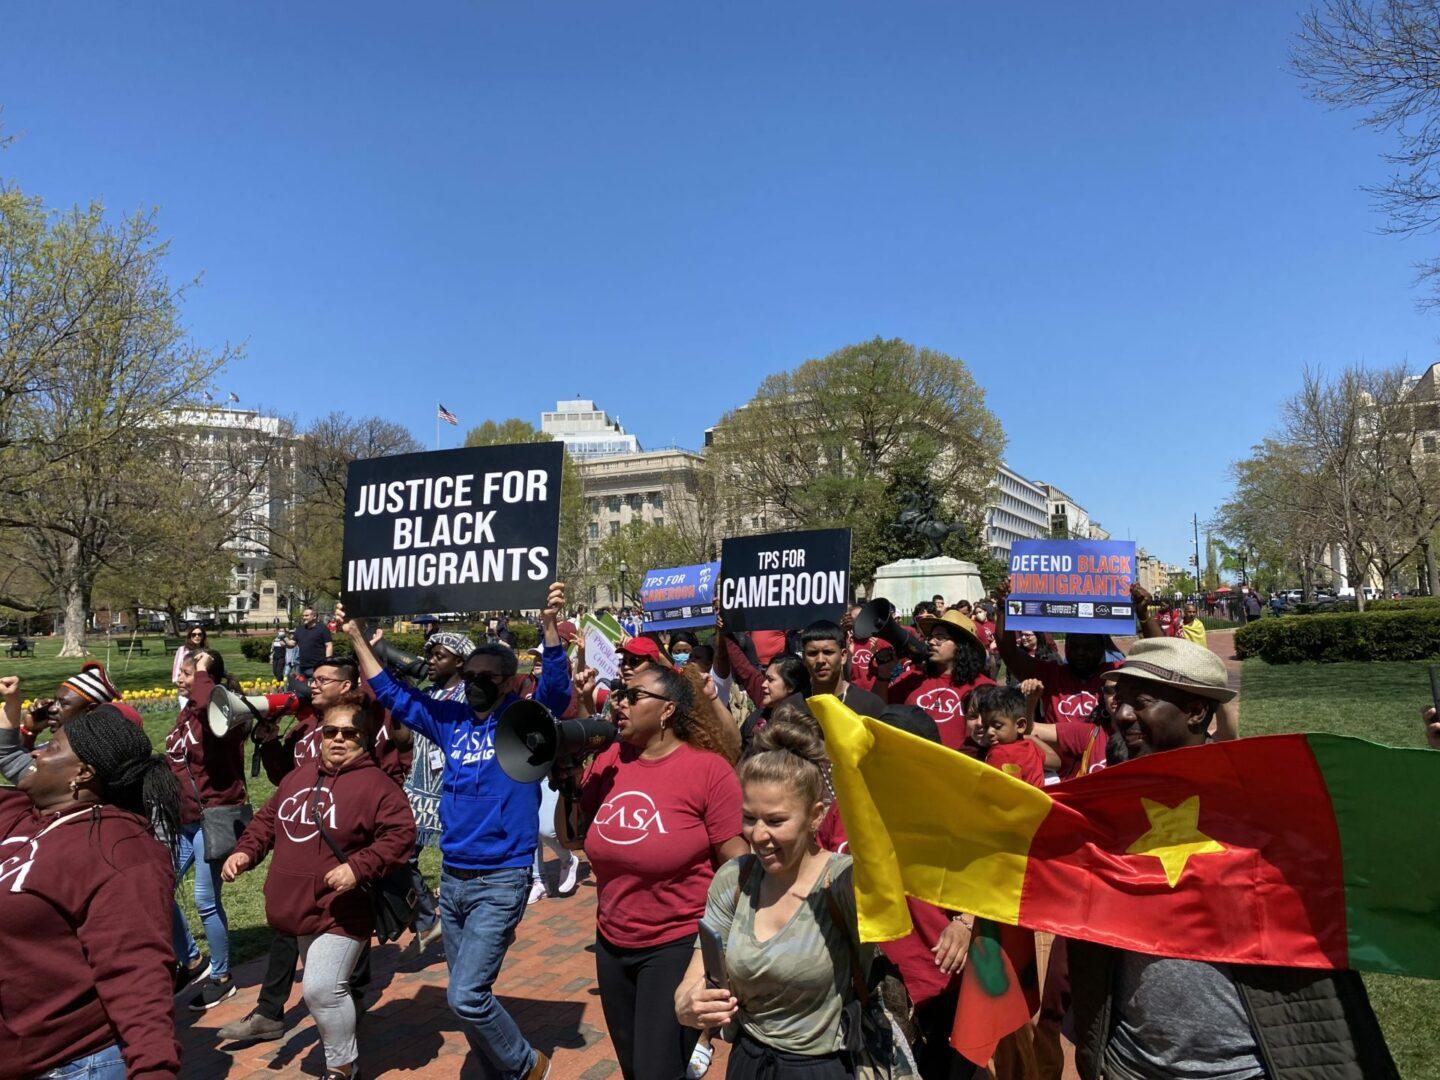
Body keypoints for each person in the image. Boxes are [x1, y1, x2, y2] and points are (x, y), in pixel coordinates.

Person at [1068, 638, 1398, 1078]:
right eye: (1119, 701)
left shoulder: (1265, 801)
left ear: (1195, 712)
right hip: (1132, 1064)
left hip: (1247, 1067)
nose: (1123, 714)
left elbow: (1391, 855)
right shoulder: (1107, 805)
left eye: (1141, 702)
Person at [342, 583, 572, 1080]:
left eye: (486, 677)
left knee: (466, 996)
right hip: (454, 879)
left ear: (508, 682)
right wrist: (357, 638)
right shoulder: (450, 720)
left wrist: (549, 626)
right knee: (466, 995)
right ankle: (497, 1069)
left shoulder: (523, 720)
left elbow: (556, 692)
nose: (474, 683)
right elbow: (395, 695)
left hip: (501, 878)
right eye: (469, 676)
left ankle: (528, 1066)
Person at [566, 663, 746, 1080]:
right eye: (619, 694)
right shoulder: (612, 759)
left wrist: (725, 949)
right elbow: (573, 837)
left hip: (677, 945)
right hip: (612, 943)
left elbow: (738, 866)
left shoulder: (708, 771)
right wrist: (567, 779)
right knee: (634, 1067)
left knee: (657, 1070)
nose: (621, 703)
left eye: (634, 696)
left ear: (667, 710)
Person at [223, 701, 415, 1080]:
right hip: (298, 907)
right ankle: (341, 1047)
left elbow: (401, 834)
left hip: (343, 910)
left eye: (349, 733)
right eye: (330, 732)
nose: (338, 739)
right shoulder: (299, 777)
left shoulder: (378, 785)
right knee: (324, 991)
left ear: (364, 739)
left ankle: (342, 1066)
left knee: (322, 990)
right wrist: (245, 852)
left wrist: (358, 867)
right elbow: (267, 821)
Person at [0, 706, 184, 1079]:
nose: (36, 754)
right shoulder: (23, 816)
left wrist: (154, 1068)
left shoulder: (121, 851)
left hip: (75, 1064)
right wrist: (24, 731)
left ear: (83, 773)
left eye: (51, 748)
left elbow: (137, 969)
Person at [676, 720, 864, 1078]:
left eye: (776, 821)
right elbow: (694, 977)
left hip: (821, 1066)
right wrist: (688, 1004)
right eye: (749, 818)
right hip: (748, 1060)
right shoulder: (735, 879)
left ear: (816, 815)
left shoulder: (842, 881)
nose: (758, 835)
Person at [219, 656, 381, 1045]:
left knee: (345, 917)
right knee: (290, 924)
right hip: (302, 837)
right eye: (313, 678)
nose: (313, 685)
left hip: (343, 841)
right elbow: (283, 778)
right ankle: (270, 1011)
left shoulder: (362, 724)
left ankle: (350, 995)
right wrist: (270, 741)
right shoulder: (305, 726)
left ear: (346, 686)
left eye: (324, 680)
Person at [166, 647, 250, 1009]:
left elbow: (208, 707)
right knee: (156, 888)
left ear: (206, 679)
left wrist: (202, 671)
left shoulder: (220, 712)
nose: (181, 679)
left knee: (205, 900)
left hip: (211, 818)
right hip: (183, 819)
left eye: (188, 674)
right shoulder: (189, 711)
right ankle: (192, 960)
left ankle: (221, 976)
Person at [995, 580, 1159, 724]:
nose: (1080, 652)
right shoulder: (1050, 674)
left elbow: (1159, 654)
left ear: (1101, 648)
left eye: (1088, 647)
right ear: (1066, 646)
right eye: (1074, 646)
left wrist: (1143, 613)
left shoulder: (1116, 674)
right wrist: (1003, 608)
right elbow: (1009, 653)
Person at [883, 607, 994, 750]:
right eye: (931, 637)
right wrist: (883, 674)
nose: (931, 642)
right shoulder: (913, 678)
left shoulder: (986, 688)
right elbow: (879, 708)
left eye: (940, 638)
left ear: (962, 646)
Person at [0, 662, 123, 781]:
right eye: (55, 701)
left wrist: (12, 701)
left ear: (90, 709)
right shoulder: (73, 744)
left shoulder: (76, 755)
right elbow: (26, 759)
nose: (52, 709)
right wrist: (30, 731)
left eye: (63, 704)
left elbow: (14, 762)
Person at [797, 620, 887, 718]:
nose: (820, 660)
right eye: (813, 653)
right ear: (804, 658)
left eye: (828, 652)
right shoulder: (792, 707)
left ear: (843, 656)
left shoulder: (870, 706)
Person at [970, 683, 1046, 786]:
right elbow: (1056, 762)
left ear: (1020, 725)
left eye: (997, 726)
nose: (989, 732)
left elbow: (991, 789)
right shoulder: (1031, 746)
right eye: (986, 726)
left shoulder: (999, 753)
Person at [294, 607, 334, 677]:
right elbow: (292, 643)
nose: (304, 617)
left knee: (314, 684)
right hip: (301, 667)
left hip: (316, 667)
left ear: (314, 616)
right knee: (300, 684)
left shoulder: (322, 628)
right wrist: (285, 640)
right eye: (303, 616)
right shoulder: (300, 629)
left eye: (306, 615)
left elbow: (329, 645)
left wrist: (328, 662)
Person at [173, 625, 206, 704]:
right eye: (194, 634)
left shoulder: (205, 651)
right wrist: (182, 686)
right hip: (186, 690)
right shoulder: (182, 650)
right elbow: (176, 673)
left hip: (201, 690)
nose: (197, 636)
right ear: (190, 636)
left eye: (199, 634)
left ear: (203, 636)